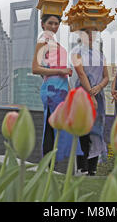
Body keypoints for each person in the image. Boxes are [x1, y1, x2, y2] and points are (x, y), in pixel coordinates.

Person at [32, 13, 82, 163]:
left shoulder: (53, 42)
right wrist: (59, 71)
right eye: (50, 23)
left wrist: (70, 92)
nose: (54, 27)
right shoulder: (43, 41)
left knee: (59, 125)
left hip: (62, 88)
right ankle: (47, 166)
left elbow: (62, 71)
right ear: (42, 24)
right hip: (52, 88)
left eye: (56, 24)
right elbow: (35, 68)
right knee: (51, 125)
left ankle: (54, 164)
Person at [70, 28, 109, 176]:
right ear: (80, 35)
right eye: (86, 33)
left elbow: (106, 76)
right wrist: (91, 94)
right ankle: (82, 167)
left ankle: (93, 168)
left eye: (93, 33)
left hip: (98, 95)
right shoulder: (76, 52)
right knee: (83, 129)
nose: (91, 36)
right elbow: (80, 73)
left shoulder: (101, 55)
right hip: (82, 94)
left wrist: (99, 87)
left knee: (97, 130)